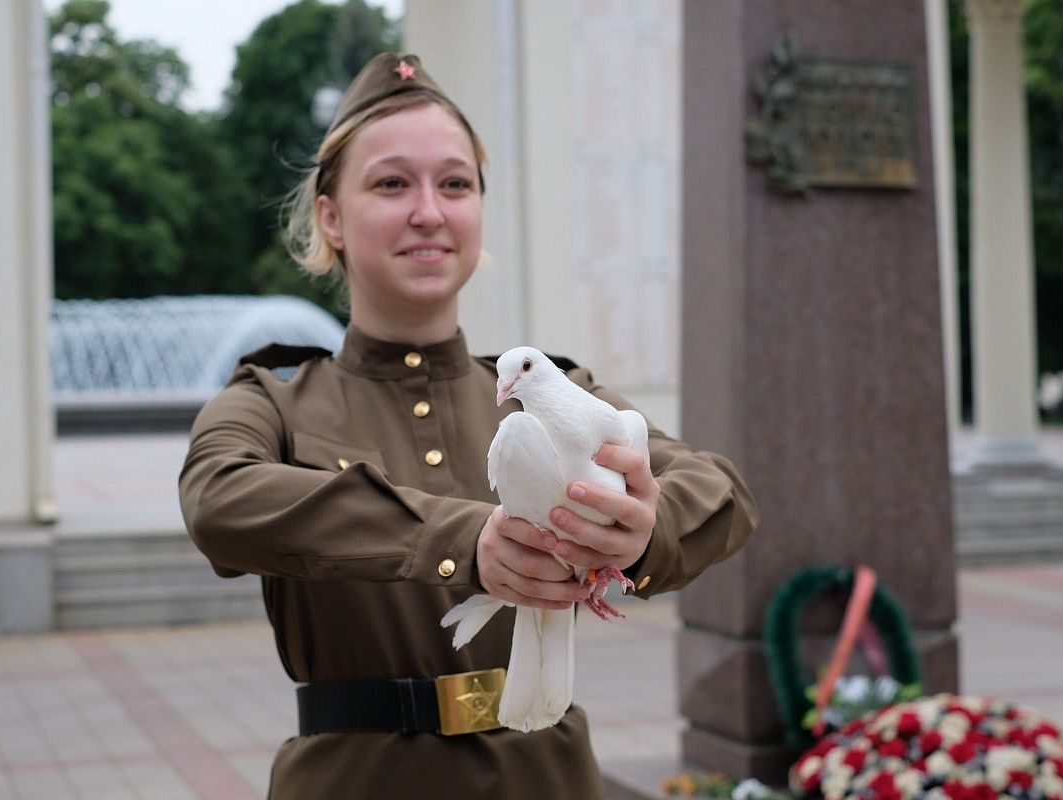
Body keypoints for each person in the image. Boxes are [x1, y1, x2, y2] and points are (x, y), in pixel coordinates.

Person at [178, 52, 757, 799]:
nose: (429, 210)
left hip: (546, 776)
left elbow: (723, 493)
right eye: (392, 183)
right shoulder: (276, 398)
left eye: (455, 183)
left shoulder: (558, 392)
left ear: (479, 211)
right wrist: (461, 544)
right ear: (330, 215)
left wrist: (643, 529)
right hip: (356, 780)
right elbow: (219, 499)